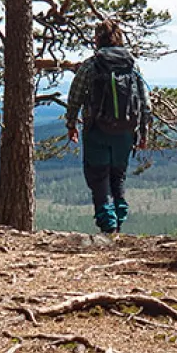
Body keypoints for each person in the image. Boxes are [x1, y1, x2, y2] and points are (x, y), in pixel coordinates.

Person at [65, 20, 152, 234]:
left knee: (97, 176)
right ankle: (119, 217)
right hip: (125, 131)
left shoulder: (91, 64)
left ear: (97, 39)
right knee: (118, 175)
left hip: (96, 129)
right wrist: (143, 132)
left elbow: (75, 95)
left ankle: (108, 225)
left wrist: (71, 123)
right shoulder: (132, 65)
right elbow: (144, 101)